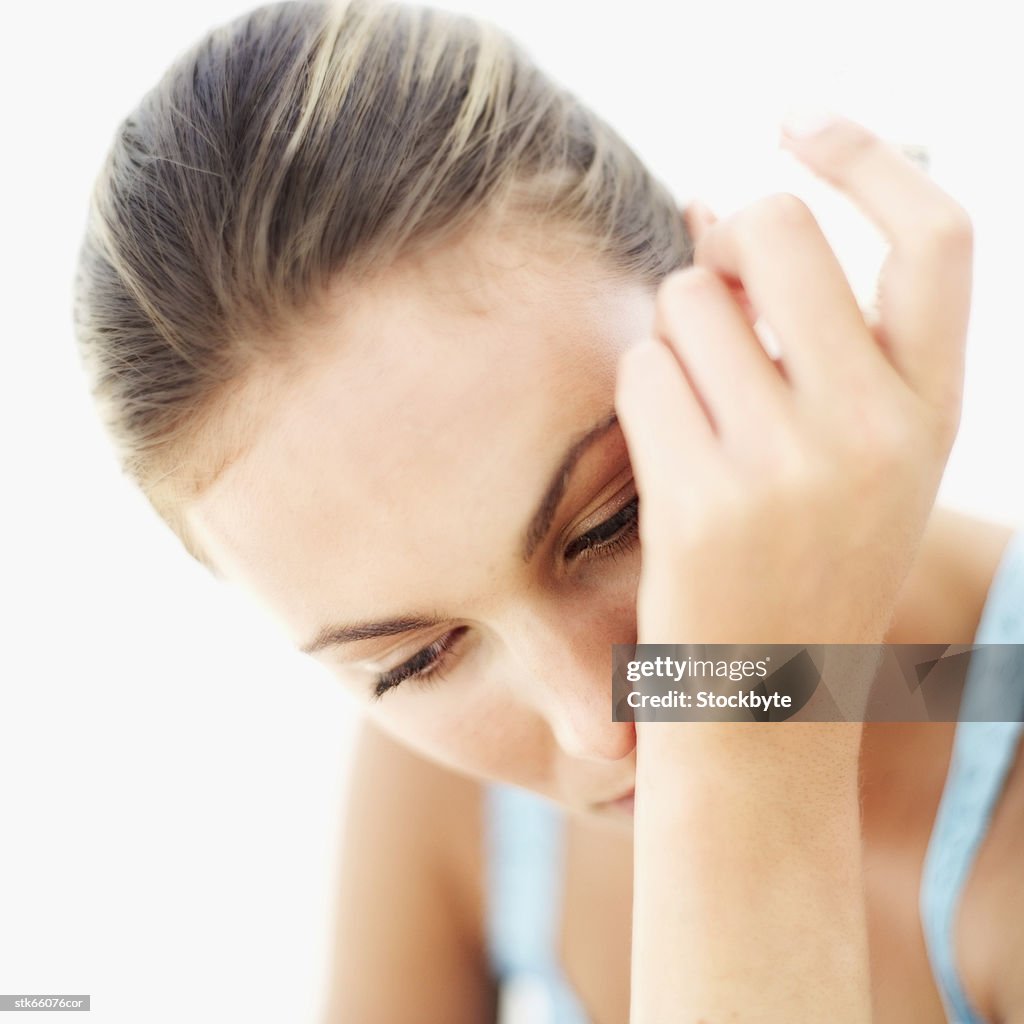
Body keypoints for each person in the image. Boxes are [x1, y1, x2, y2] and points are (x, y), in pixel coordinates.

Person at [72, 1, 1023, 1021]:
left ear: (740, 306)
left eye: (610, 520)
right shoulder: (444, 787)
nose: (596, 717)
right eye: (418, 659)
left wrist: (740, 728)